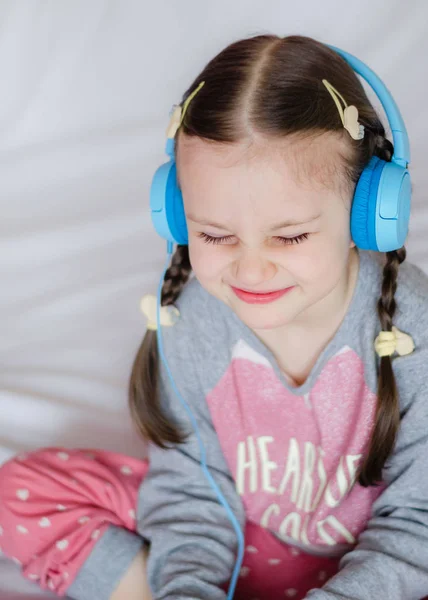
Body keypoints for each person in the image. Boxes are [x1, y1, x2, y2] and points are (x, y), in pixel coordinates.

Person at [1, 33, 428, 600]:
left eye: (291, 235)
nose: (251, 272)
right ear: (178, 215)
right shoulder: (193, 317)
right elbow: (189, 489)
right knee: (20, 489)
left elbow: (416, 522)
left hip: (377, 562)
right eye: (215, 235)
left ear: (372, 214)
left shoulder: (412, 329)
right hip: (241, 538)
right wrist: (189, 586)